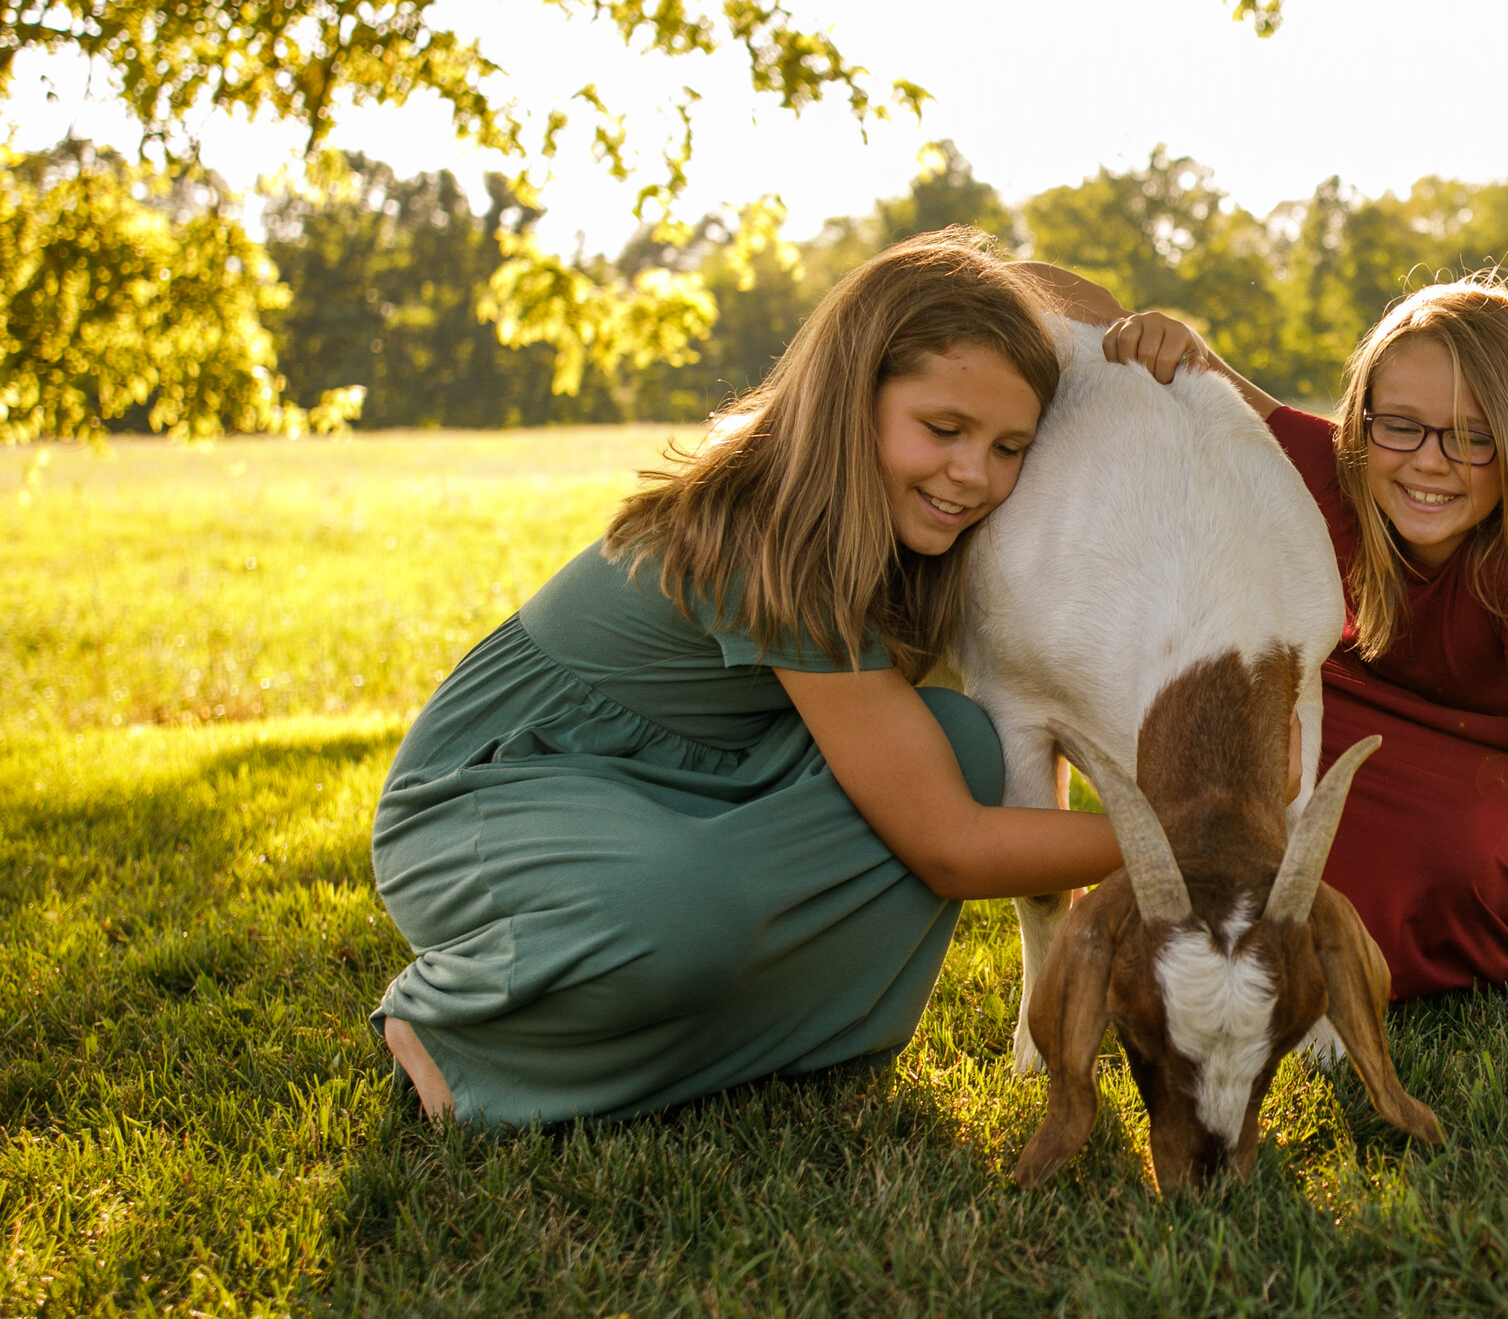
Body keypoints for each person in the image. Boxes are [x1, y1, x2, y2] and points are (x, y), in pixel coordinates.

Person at [370, 232, 1122, 1126]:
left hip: (704, 785)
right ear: (850, 399)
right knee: (686, 904)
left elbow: (1031, 294)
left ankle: (763, 1038)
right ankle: (450, 1032)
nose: (974, 474)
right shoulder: (770, 532)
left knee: (962, 745)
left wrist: (1141, 338)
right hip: (491, 798)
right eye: (943, 429)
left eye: (1010, 447)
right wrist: (1182, 841)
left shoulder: (910, 532)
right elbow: (950, 848)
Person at [1025, 264, 1508, 1028]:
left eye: (1473, 438)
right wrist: (1159, 329)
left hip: (1483, 770)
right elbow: (1081, 301)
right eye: (1400, 425)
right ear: (1363, 417)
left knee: (1445, 858)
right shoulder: (1329, 471)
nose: (1429, 461)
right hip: (1341, 719)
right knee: (1234, 755)